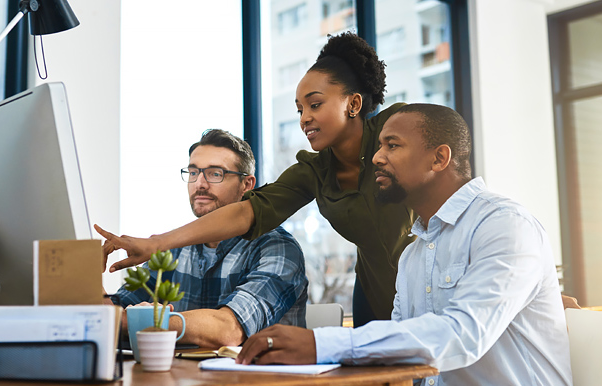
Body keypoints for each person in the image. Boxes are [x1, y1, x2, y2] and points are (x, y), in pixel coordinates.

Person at [236, 104, 577, 386]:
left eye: (392, 146)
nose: (376, 158)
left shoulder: (504, 225)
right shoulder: (414, 254)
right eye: (379, 146)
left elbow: (463, 334)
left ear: (439, 158)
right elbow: (402, 354)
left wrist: (320, 344)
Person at [96, 32, 415, 327]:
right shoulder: (313, 171)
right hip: (376, 290)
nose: (304, 118)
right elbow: (250, 211)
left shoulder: (398, 129)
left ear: (354, 104)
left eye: (315, 105)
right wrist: (155, 244)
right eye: (299, 109)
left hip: (429, 279)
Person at [98, 129, 308, 349]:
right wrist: (91, 282)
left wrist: (142, 321)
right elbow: (115, 314)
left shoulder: (278, 248)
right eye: (193, 173)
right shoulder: (173, 250)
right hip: (186, 379)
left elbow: (229, 331)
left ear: (247, 185)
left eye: (215, 174)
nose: (200, 184)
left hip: (261, 380)